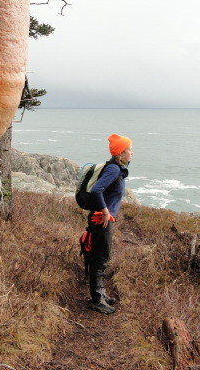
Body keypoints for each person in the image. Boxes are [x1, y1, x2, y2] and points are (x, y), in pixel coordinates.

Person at [87, 133, 133, 314]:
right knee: (101, 258)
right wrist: (105, 211)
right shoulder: (113, 169)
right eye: (129, 150)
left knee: (100, 257)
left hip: (102, 219)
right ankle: (96, 299)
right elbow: (96, 190)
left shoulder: (114, 168)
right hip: (101, 219)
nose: (132, 153)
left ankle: (100, 293)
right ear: (121, 153)